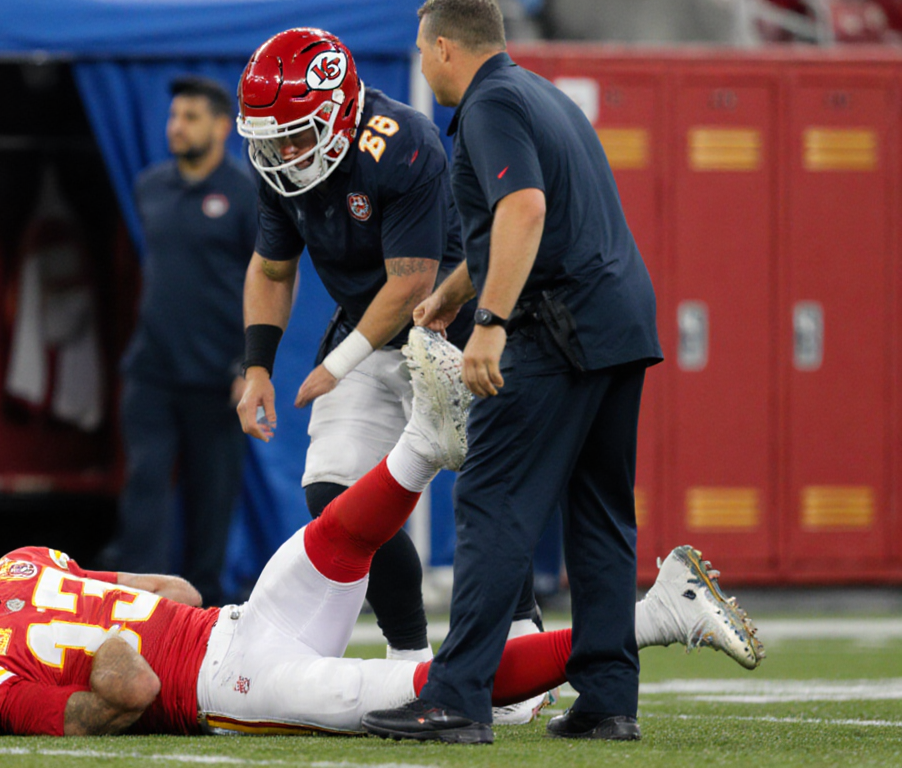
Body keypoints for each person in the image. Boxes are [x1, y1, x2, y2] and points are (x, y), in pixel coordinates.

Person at [0, 329, 764, 736]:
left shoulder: (14, 567)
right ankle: (655, 617)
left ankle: (424, 441)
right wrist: (115, 650)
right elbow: (117, 693)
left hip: (227, 632)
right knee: (434, 691)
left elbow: (176, 598)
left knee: (332, 541)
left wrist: (122, 637)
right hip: (230, 678)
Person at [362, 0, 667, 744]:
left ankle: (456, 697)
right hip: (619, 323)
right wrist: (451, 296)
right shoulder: (538, 91)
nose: (421, 60)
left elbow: (524, 210)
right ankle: (607, 700)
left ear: (441, 49)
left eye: (420, 48)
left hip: (554, 329)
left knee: (493, 503)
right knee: (598, 513)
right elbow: (526, 218)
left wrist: (489, 325)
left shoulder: (490, 101)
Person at [233, 27, 540, 676]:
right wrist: (257, 365)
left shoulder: (402, 144)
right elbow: (270, 268)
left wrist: (336, 364)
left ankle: (520, 638)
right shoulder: (280, 162)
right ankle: (409, 656)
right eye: (270, 136)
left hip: (450, 326)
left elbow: (414, 282)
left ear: (341, 114)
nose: (282, 151)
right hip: (366, 324)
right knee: (334, 497)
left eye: (293, 133)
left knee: (486, 493)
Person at [103, 76, 258, 607]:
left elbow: (274, 279)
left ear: (220, 126)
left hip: (218, 376)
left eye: (190, 116)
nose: (176, 126)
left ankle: (205, 613)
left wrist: (249, 362)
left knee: (211, 502)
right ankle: (136, 609)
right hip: (151, 370)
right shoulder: (149, 185)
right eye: (173, 116)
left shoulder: (246, 194)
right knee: (143, 489)